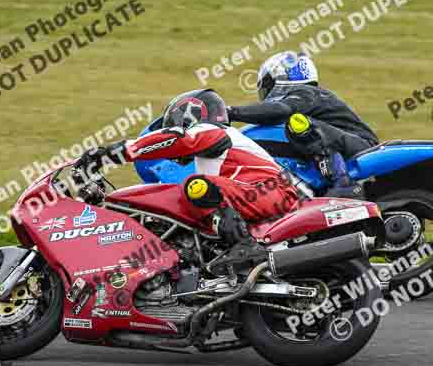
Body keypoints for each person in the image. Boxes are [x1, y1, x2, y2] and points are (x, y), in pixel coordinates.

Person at [84, 89, 299, 271]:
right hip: (262, 194)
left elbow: (177, 139)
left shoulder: (212, 131)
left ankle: (245, 247)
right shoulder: (217, 148)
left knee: (197, 186)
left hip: (269, 191)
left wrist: (111, 153)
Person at [228, 52, 380, 197]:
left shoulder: (306, 92)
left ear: (279, 78)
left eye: (266, 84)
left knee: (298, 124)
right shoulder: (312, 98)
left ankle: (343, 184)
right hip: (350, 145)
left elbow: (281, 110)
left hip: (363, 148)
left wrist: (230, 112)